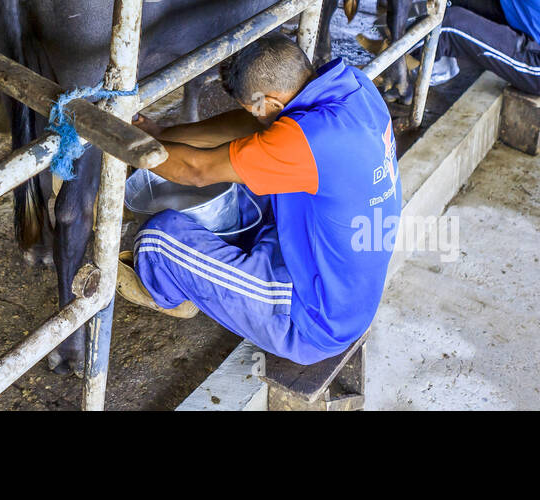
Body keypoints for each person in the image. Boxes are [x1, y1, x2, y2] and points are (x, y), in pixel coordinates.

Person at [119, 34, 400, 365]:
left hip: (313, 320)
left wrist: (120, 139)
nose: (253, 119)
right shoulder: (354, 86)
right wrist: (164, 134)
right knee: (248, 181)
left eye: (256, 111)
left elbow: (196, 171)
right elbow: (247, 127)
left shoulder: (305, 140)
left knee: (156, 240)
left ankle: (172, 294)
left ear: (272, 104)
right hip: (336, 275)